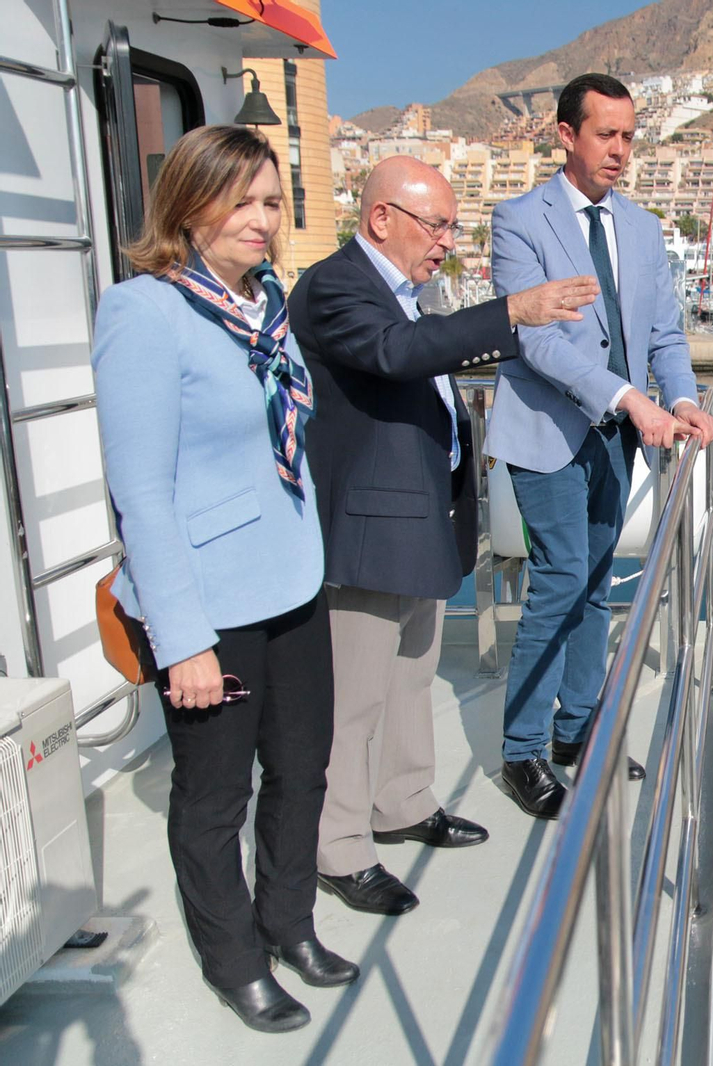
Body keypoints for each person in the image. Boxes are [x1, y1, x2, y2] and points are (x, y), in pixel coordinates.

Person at [90, 125, 354, 1034]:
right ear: (188, 205)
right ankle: (234, 959)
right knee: (214, 797)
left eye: (273, 201)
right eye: (239, 199)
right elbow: (143, 494)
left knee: (302, 769)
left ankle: (289, 923)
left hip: (290, 581)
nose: (262, 219)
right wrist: (183, 637)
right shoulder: (145, 311)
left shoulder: (263, 302)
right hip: (208, 601)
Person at [288, 157, 600, 916]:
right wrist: (514, 311)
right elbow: (397, 357)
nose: (446, 242)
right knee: (354, 700)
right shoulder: (336, 288)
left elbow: (426, 356)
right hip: (366, 533)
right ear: (381, 218)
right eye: (437, 225)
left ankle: (402, 804)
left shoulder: (401, 296)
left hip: (416, 525)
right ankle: (339, 848)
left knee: (409, 680)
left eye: (453, 227)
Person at [486, 73, 713, 818]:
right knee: (560, 580)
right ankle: (521, 752)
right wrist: (629, 397)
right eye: (605, 135)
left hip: (619, 439)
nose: (620, 151)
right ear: (565, 135)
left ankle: (576, 734)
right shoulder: (518, 219)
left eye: (628, 136)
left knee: (592, 584)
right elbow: (537, 341)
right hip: (547, 433)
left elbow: (664, 333)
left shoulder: (643, 228)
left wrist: (680, 396)